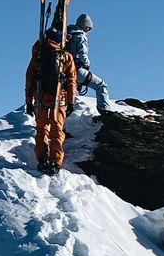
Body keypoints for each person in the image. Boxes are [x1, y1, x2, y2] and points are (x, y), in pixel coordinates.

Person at [25, 26, 78, 175]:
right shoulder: (65, 56)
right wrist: (71, 102)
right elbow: (71, 80)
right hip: (58, 98)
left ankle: (42, 160)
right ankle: (55, 162)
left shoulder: (38, 54)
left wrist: (28, 102)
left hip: (40, 97)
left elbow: (29, 78)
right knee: (57, 131)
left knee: (41, 130)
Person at [66, 14, 111, 111]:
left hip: (62, 70)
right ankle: (105, 111)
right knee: (101, 85)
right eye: (89, 29)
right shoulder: (80, 36)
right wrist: (87, 65)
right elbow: (83, 55)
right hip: (75, 70)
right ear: (85, 26)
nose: (89, 31)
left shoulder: (65, 34)